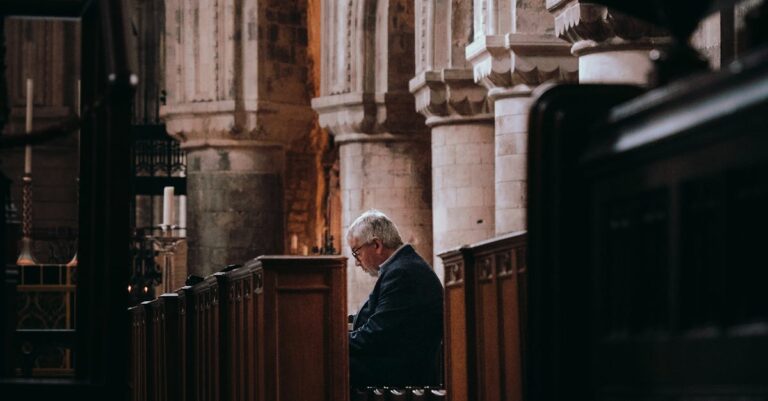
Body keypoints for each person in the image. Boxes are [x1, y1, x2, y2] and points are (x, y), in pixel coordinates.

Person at [347, 209, 444, 387]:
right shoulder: (402, 267)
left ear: (376, 245)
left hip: (402, 374)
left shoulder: (402, 273)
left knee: (325, 366)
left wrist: (335, 342)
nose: (356, 262)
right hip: (394, 364)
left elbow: (376, 335)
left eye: (356, 253)